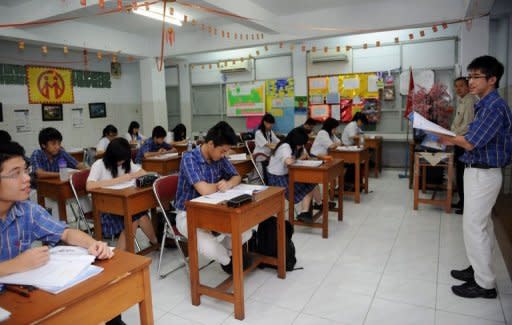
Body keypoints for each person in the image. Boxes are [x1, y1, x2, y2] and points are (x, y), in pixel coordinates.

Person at [437, 55, 512, 299]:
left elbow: (470, 142)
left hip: (483, 173)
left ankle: (485, 284)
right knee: (484, 226)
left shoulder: (493, 107)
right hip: (478, 172)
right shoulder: (482, 104)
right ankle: (479, 269)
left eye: (476, 76)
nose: (470, 81)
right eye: (469, 76)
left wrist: (446, 137)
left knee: (474, 227)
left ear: (492, 79)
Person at [0, 140, 112, 283]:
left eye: (26, 170)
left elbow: (65, 232)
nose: (27, 178)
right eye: (16, 173)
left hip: (18, 294)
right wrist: (15, 265)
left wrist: (92, 243)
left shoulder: (27, 211)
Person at [174, 121, 252, 274]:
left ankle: (228, 249)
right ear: (210, 144)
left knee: (246, 229)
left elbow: (237, 176)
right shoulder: (190, 158)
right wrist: (219, 185)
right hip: (188, 214)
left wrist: (229, 184)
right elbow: (203, 189)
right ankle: (228, 261)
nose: (224, 155)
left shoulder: (219, 157)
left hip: (216, 209)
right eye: (223, 151)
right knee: (207, 245)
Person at [86, 138, 158, 251]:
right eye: (119, 160)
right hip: (106, 209)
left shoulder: (126, 162)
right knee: (133, 218)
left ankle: (155, 243)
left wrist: (132, 176)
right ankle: (121, 257)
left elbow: (142, 172)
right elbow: (89, 186)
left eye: (124, 159)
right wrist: (120, 179)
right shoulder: (99, 165)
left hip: (125, 205)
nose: (122, 162)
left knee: (141, 213)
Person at [267, 128, 322, 223]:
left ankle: (319, 204)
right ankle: (305, 212)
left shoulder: (291, 145)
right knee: (309, 185)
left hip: (285, 175)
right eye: (300, 144)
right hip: (277, 179)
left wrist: (302, 156)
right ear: (295, 141)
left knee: (312, 181)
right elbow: (289, 162)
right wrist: (299, 158)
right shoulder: (285, 146)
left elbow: (295, 159)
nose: (300, 146)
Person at [450, 77, 476, 215]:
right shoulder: (461, 101)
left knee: (462, 174)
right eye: (456, 86)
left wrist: (452, 135)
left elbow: (467, 125)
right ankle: (461, 201)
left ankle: (466, 204)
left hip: (463, 142)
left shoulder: (470, 101)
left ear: (467, 87)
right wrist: (451, 133)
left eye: (461, 86)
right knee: (459, 173)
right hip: (457, 140)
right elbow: (456, 123)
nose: (458, 89)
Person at [253, 113, 280, 182]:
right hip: (260, 157)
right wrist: (279, 146)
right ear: (265, 122)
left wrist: (282, 144)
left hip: (268, 157)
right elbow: (268, 145)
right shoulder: (258, 133)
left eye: (272, 124)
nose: (271, 125)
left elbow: (277, 141)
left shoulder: (270, 132)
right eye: (270, 123)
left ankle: (272, 181)